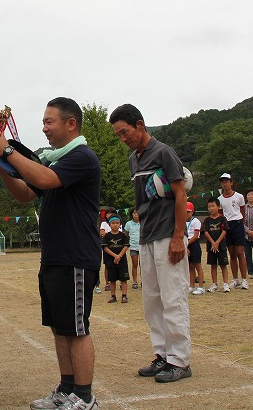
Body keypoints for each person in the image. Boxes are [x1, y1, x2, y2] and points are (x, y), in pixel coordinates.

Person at [0, 97, 101, 410]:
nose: (44, 127)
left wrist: (8, 150)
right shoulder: (54, 160)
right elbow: (24, 193)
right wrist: (0, 165)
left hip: (75, 257)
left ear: (70, 123)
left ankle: (85, 397)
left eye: (50, 121)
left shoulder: (82, 156)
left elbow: (46, 179)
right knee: (60, 328)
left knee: (76, 329)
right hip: (54, 257)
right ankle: (66, 389)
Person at [110, 103, 191, 383]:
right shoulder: (134, 159)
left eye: (125, 132)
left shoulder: (164, 152)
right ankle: (162, 356)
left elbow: (181, 195)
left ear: (140, 125)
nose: (123, 139)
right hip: (145, 236)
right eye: (118, 135)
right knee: (151, 301)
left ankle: (180, 360)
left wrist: (179, 237)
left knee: (173, 298)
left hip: (168, 235)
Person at [218, 173, 248, 290]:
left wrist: (240, 222)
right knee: (232, 254)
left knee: (241, 252)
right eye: (223, 182)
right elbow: (221, 214)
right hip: (227, 225)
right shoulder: (220, 199)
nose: (225, 184)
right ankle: (235, 279)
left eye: (226, 181)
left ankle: (244, 279)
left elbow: (242, 211)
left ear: (231, 182)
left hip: (238, 223)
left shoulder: (239, 196)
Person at [202, 197, 231, 293]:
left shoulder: (222, 219)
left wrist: (217, 242)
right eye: (209, 207)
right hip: (211, 246)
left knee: (223, 265)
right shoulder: (206, 220)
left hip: (221, 246)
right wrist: (213, 243)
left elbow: (224, 231)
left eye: (213, 206)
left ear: (218, 206)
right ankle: (215, 284)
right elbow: (206, 232)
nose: (211, 208)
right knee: (213, 265)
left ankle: (225, 284)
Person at [102, 216, 130, 304]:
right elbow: (105, 247)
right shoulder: (107, 236)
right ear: (109, 225)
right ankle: (113, 296)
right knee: (112, 280)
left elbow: (126, 246)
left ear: (120, 224)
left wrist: (119, 256)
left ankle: (124, 295)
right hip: (110, 261)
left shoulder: (123, 235)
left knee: (123, 279)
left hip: (122, 261)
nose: (115, 225)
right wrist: (114, 256)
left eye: (117, 223)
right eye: (113, 223)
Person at [186, 202, 205, 295]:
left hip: (194, 244)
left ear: (192, 212)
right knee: (190, 266)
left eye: (188, 212)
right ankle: (192, 285)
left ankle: (201, 287)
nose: (186, 214)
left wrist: (186, 244)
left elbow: (196, 236)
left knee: (198, 265)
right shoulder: (182, 221)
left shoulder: (196, 221)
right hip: (186, 244)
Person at [125, 210, 141, 289]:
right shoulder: (128, 224)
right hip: (133, 246)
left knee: (143, 265)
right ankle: (135, 281)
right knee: (134, 265)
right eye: (134, 213)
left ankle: (144, 281)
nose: (136, 215)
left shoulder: (143, 222)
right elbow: (126, 233)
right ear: (132, 214)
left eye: (137, 213)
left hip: (142, 245)